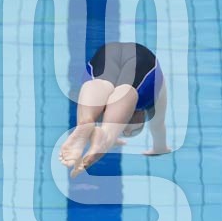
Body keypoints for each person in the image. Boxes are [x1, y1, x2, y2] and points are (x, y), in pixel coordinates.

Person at [59, 42, 171, 178]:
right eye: (133, 130)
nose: (128, 129)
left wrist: (160, 147)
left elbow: (157, 127)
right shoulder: (149, 102)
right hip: (130, 58)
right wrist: (160, 148)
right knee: (124, 91)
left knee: (102, 84)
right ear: (142, 116)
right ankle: (106, 135)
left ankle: (87, 123)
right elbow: (157, 126)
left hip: (111, 53)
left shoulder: (149, 101)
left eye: (124, 130)